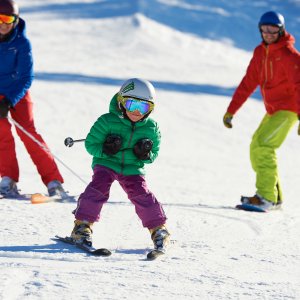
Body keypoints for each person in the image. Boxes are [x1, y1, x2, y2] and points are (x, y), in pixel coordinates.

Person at [70, 78, 170, 250]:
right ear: (122, 102)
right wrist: (106, 150)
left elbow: (154, 155)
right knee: (98, 188)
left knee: (141, 194)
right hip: (106, 163)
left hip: (132, 168)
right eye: (132, 105)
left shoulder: (151, 128)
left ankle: (159, 229)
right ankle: (82, 226)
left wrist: (144, 154)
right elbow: (90, 145)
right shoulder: (107, 121)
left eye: (144, 107)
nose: (137, 112)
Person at [223, 11, 300, 210]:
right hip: (274, 110)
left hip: (289, 109)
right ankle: (274, 197)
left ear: (281, 29)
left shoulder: (289, 55)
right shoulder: (260, 52)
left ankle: (266, 197)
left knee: (264, 146)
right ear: (260, 29)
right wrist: (231, 110)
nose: (268, 33)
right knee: (256, 146)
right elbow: (248, 83)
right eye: (265, 28)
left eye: (273, 28)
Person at [0, 0, 67, 198]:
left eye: (8, 19)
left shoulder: (21, 42)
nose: (4, 24)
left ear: (16, 19)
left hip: (17, 93)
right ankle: (8, 179)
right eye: (0, 18)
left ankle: (54, 181)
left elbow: (26, 77)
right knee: (2, 134)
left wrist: (10, 100)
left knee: (28, 132)